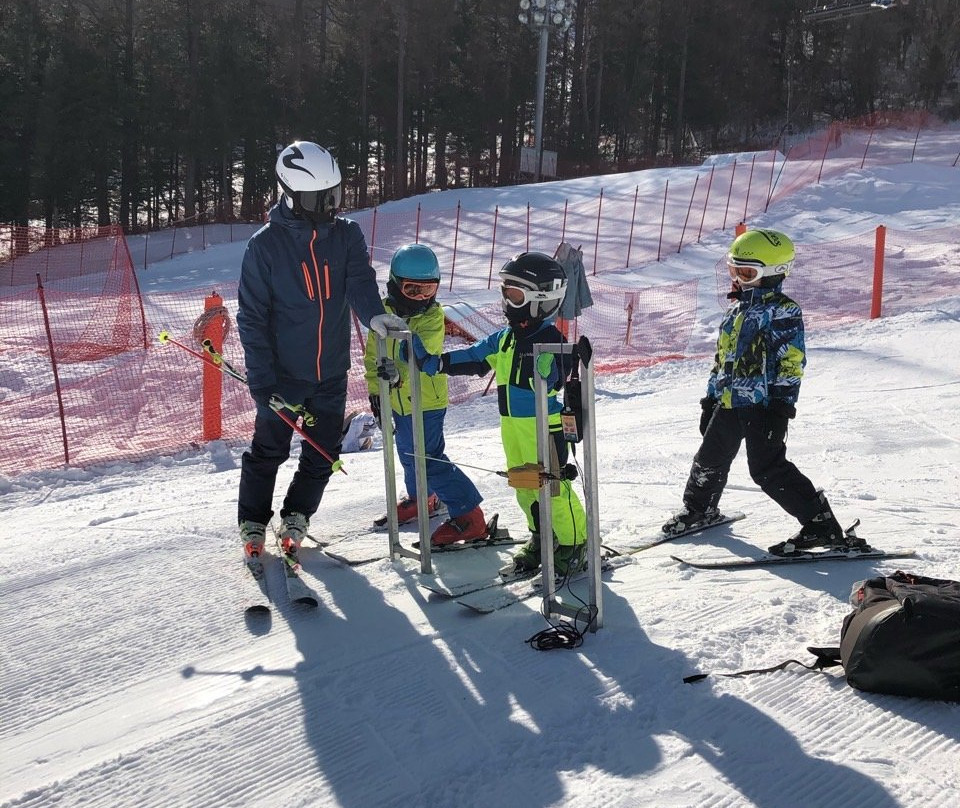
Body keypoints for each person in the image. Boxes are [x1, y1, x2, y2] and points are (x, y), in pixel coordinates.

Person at [236, 141, 405, 558]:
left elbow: (360, 282)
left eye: (336, 194)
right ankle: (253, 522)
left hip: (329, 371)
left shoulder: (344, 235)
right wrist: (262, 382)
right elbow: (252, 319)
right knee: (269, 451)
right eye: (321, 198)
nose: (332, 205)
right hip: (283, 376)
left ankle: (297, 514)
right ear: (292, 195)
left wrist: (374, 316)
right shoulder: (265, 247)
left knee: (322, 451)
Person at [662, 228, 849, 556]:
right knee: (710, 458)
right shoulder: (735, 312)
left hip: (763, 406)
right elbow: (722, 360)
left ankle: (821, 524)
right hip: (730, 402)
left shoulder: (784, 310)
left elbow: (792, 361)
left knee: (767, 468)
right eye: (735, 271)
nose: (739, 279)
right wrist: (710, 398)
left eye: (747, 273)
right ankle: (699, 509)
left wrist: (781, 407)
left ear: (774, 274)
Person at [417, 251, 588, 576]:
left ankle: (575, 543)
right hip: (513, 430)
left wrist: (548, 369)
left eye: (515, 293)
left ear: (539, 299)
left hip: (545, 429)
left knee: (552, 489)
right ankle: (543, 537)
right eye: (505, 290)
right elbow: (474, 356)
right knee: (525, 488)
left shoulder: (552, 339)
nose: (507, 300)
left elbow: (558, 375)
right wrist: (437, 362)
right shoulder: (505, 339)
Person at [363, 243, 486, 545]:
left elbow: (419, 356)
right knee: (408, 455)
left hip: (426, 401)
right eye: (413, 289)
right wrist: (376, 392)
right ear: (394, 285)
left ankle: (469, 514)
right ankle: (423, 499)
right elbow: (371, 357)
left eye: (428, 291)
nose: (422, 298)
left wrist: (397, 375)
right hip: (397, 401)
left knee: (428, 459)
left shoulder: (432, 317)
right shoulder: (381, 315)